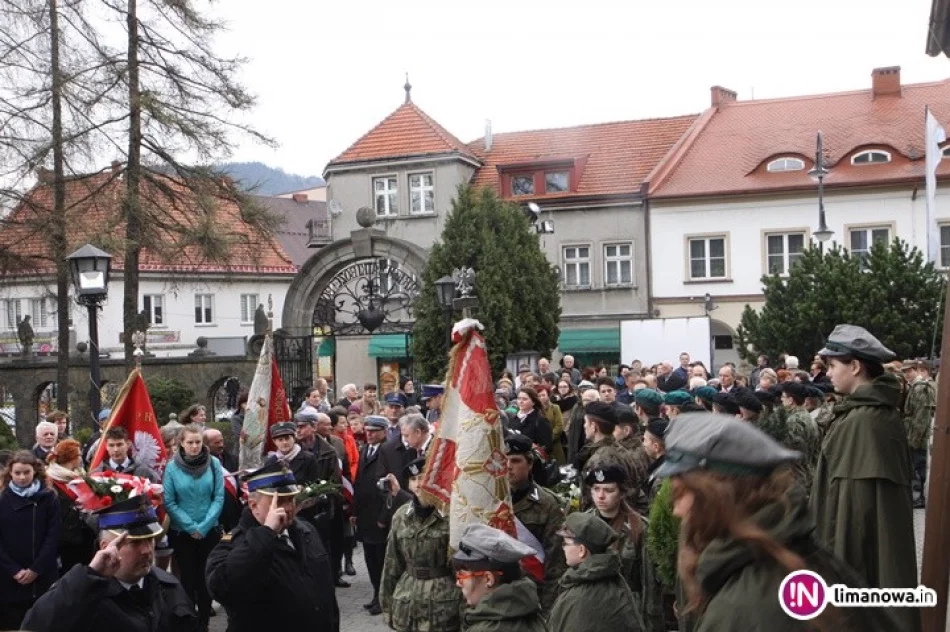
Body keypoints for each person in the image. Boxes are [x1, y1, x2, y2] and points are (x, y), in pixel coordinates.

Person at [654, 410, 902, 632]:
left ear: (719, 497)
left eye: (680, 493)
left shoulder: (747, 605)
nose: (677, 510)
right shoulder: (797, 557)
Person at [810, 325, 918, 630]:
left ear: (855, 366)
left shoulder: (866, 421)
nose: (827, 373)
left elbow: (853, 519)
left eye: (832, 365)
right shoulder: (861, 414)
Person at [22, 494, 196, 632]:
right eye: (135, 543)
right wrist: (90, 576)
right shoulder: (82, 592)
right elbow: (36, 625)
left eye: (150, 540)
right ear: (106, 547)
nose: (147, 550)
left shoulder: (168, 586)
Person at [206, 462, 340, 632]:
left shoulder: (305, 530)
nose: (288, 507)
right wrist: (266, 533)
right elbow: (222, 587)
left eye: (291, 499)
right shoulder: (233, 543)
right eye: (279, 501)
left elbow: (327, 595)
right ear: (254, 506)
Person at [380, 456, 462, 632]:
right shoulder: (401, 516)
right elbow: (392, 562)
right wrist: (387, 605)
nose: (418, 484)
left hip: (444, 600)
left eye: (422, 478)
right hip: (408, 598)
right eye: (413, 479)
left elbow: (462, 566)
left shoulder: (451, 515)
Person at [585, 464, 663, 631]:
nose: (600, 496)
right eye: (596, 489)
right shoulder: (583, 525)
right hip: (590, 608)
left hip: (627, 610)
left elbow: (650, 582)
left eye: (609, 490)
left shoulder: (639, 528)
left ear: (621, 493)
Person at [163, 424, 225, 631]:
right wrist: (191, 527)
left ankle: (204, 622)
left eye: (198, 442)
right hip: (182, 532)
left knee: (205, 579)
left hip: (209, 530)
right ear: (181, 443)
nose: (194, 446)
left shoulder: (214, 463)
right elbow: (169, 502)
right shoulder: (172, 467)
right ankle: (189, 623)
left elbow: (218, 497)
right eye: (190, 442)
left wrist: (205, 525)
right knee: (187, 579)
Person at [549, 512, 643, 632]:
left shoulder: (581, 597)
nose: (563, 548)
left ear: (581, 550)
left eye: (565, 544)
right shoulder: (613, 579)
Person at [0, 450, 61, 629]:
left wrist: (36, 569)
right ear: (10, 473)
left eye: (26, 472)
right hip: (9, 577)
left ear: (34, 471)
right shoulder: (3, 500)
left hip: (42, 574)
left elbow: (53, 535)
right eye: (17, 473)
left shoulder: (49, 497)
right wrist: (14, 570)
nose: (22, 477)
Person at [505, 433, 565, 610]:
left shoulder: (547, 504)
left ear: (529, 464)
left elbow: (555, 564)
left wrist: (548, 609)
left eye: (515, 461)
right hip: (499, 596)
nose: (508, 467)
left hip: (534, 596)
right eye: (504, 460)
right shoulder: (491, 500)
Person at [452, 523, 547, 632]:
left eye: (462, 575)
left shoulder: (484, 629)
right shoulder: (535, 618)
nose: (458, 583)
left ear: (488, 579)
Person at [352, 416, 391, 615]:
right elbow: (358, 482)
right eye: (367, 430)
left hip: (380, 516)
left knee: (382, 558)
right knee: (370, 559)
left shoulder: (388, 451)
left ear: (384, 431)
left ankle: (383, 597)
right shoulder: (365, 450)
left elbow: (391, 489)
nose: (369, 434)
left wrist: (384, 517)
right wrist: (354, 511)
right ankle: (377, 593)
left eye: (374, 431)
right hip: (366, 515)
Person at [45, 440, 96, 575]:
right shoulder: (51, 479)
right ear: (71, 458)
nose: (81, 458)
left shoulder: (79, 475)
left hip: (83, 534)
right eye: (79, 455)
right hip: (65, 539)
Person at [901, 359, 936, 508]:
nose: (906, 374)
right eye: (905, 371)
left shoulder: (921, 388)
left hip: (917, 435)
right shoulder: (915, 386)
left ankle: (919, 497)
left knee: (918, 466)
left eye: (909, 371)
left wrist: (914, 439)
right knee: (915, 466)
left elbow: (921, 417)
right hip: (913, 432)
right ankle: (917, 496)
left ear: (917, 370)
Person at [92, 426, 161, 482]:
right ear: (106, 446)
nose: (116, 450)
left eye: (119, 445)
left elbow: (153, 497)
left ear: (128, 444)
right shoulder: (97, 473)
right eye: (111, 445)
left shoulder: (143, 472)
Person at [509, 387, 554, 454]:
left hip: (532, 460)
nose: (521, 401)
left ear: (533, 402)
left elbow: (547, 447)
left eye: (525, 399)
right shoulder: (513, 418)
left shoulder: (540, 420)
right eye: (519, 398)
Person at [536, 384, 566, 464]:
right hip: (539, 446)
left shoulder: (555, 408)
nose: (542, 397)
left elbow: (559, 426)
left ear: (548, 395)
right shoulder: (534, 410)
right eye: (539, 396)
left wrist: (548, 439)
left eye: (543, 395)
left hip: (554, 444)